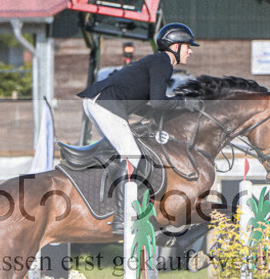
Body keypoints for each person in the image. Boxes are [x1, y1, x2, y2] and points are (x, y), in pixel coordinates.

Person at [77, 22, 200, 233]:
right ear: (175, 46)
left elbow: (148, 104)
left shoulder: (157, 62)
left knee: (129, 151)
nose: (190, 51)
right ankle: (121, 218)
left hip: (100, 101)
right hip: (105, 102)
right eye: (187, 46)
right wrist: (185, 103)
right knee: (132, 155)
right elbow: (160, 103)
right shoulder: (163, 63)